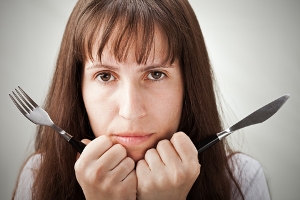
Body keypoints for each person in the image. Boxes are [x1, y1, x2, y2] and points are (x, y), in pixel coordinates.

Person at [13, 0, 271, 199]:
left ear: (188, 85)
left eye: (155, 74)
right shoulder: (38, 176)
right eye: (105, 76)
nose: (131, 111)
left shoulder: (242, 179)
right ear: (76, 85)